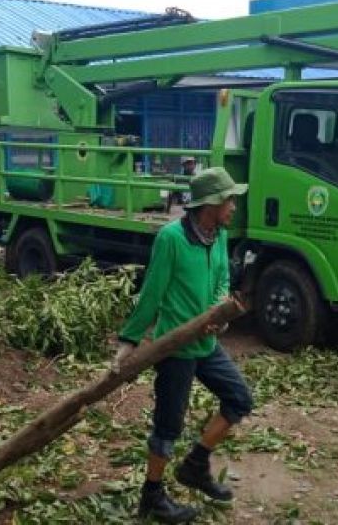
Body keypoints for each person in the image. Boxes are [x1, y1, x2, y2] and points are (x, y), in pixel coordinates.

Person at [113, 167, 253, 523]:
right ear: (211, 204)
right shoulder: (171, 238)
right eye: (229, 200)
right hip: (175, 348)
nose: (234, 207)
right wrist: (129, 341)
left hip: (206, 345)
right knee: (167, 426)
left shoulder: (218, 235)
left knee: (240, 398)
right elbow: (153, 293)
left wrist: (220, 310)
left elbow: (223, 276)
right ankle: (152, 496)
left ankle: (195, 464)